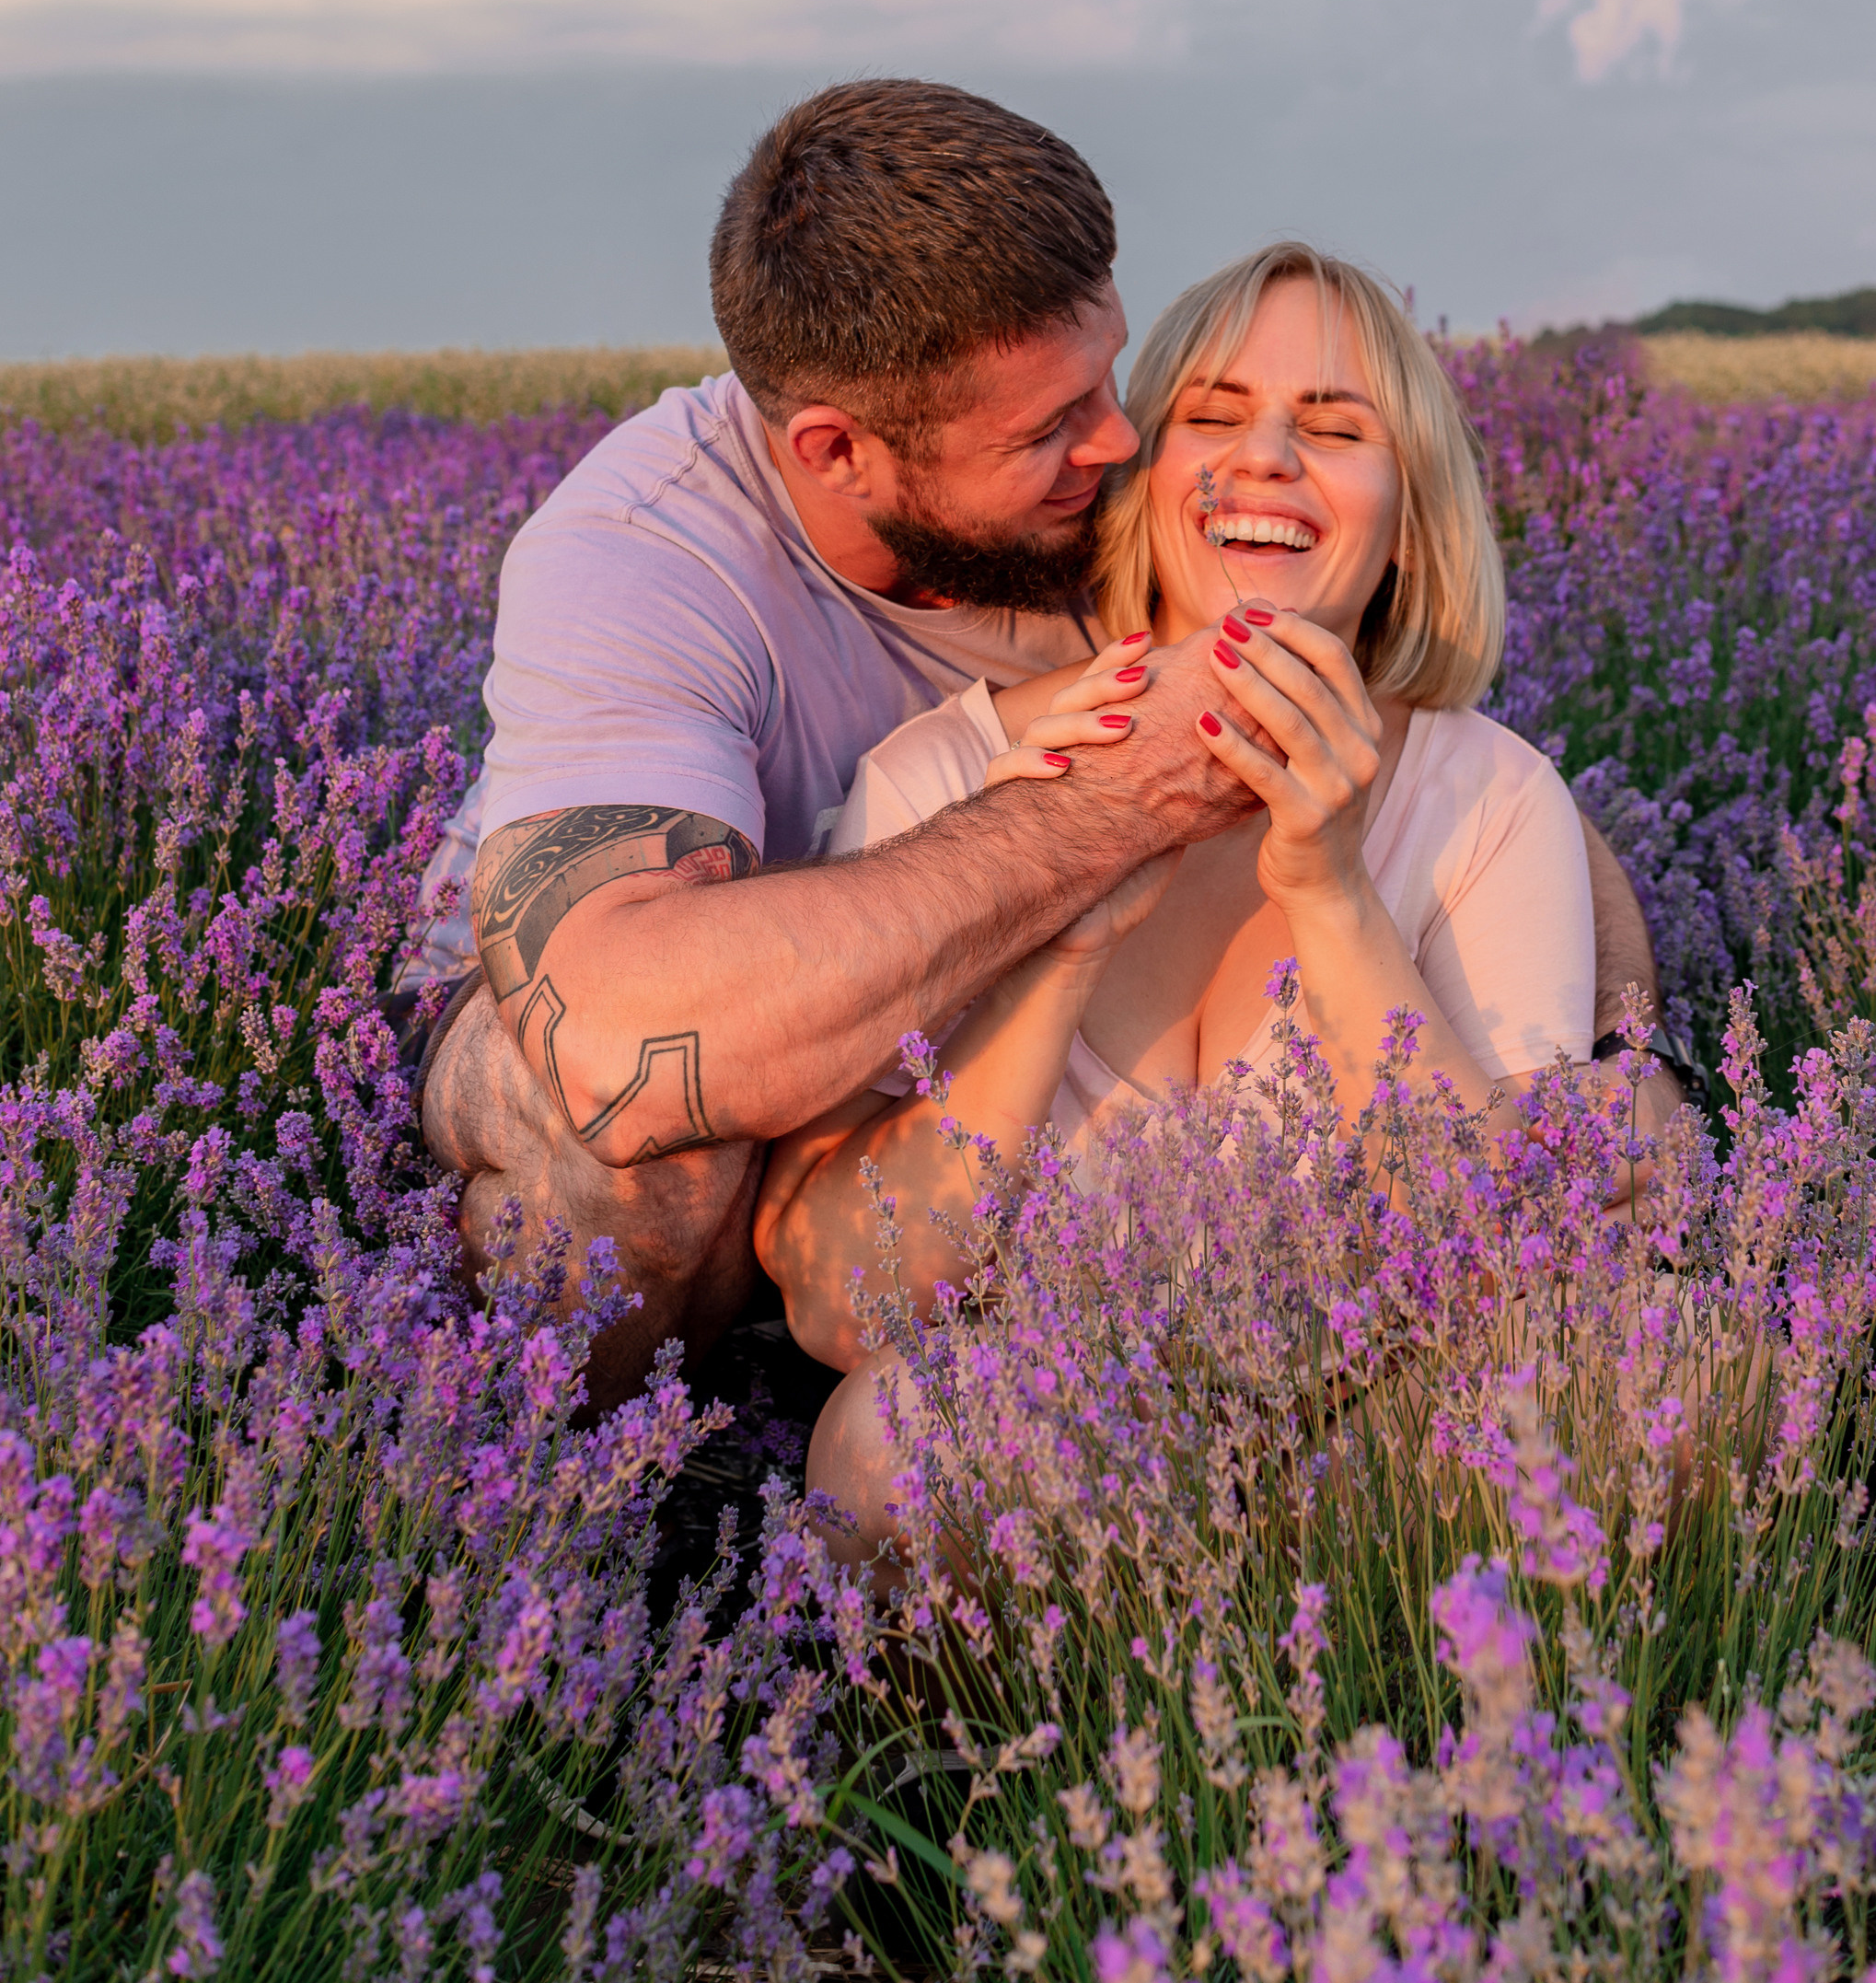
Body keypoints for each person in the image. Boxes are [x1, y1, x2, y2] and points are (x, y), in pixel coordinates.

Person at [417, 84, 1678, 1409]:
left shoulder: (1122, 497)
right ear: (842, 451)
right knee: (646, 1162)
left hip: (904, 1025)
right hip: (593, 979)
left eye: (1113, 377)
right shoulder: (647, 557)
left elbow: (1445, 764)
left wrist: (1622, 1056)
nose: (1120, 444)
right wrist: (1104, 817)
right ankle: (539, 1518)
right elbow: (621, 1039)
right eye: (1048, 430)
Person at [754, 244, 1607, 1554]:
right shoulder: (946, 777)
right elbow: (844, 1310)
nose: (1264, 456)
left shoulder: (1490, 799)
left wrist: (1331, 892)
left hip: (1376, 1457)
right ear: (1143, 485)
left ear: (1409, 514)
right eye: (1210, 415)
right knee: (888, 1444)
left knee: (1655, 1387)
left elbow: (1505, 1274)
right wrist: (1064, 909)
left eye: (1333, 428)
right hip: (1053, 1442)